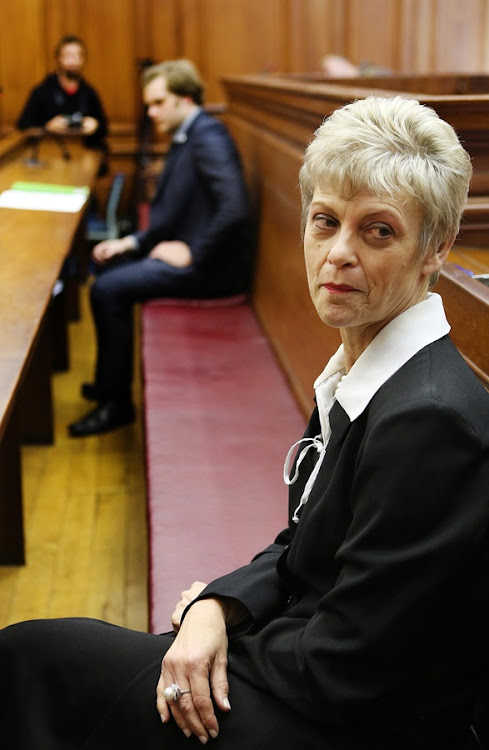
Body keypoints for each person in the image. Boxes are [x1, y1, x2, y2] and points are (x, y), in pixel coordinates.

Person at [1, 95, 489, 749]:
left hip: (350, 725)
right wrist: (216, 607)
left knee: (33, 664)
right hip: (302, 668)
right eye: (324, 221)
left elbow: (349, 664)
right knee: (37, 658)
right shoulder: (364, 363)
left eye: (378, 231)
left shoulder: (428, 418)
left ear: (435, 247)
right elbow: (304, 546)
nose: (336, 254)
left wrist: (220, 642)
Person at [68, 59, 254, 437]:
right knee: (105, 267)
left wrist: (194, 252)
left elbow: (235, 206)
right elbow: (171, 213)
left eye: (157, 103)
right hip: (190, 249)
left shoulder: (208, 137)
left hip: (210, 268)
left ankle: (117, 405)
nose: (151, 112)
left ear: (185, 98)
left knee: (107, 290)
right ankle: (109, 384)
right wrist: (131, 242)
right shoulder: (188, 134)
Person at [16, 34, 108, 150]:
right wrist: (47, 127)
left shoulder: (89, 92)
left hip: (84, 151)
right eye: (68, 56)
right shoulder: (43, 91)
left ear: (83, 59)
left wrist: (94, 125)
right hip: (50, 153)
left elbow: (104, 129)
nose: (74, 61)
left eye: (78, 56)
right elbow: (23, 126)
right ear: (59, 58)